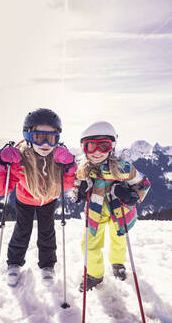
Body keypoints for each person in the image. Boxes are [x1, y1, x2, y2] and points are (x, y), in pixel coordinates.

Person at [0, 108, 77, 287]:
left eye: (51, 138)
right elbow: (1, 190)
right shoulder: (20, 158)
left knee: (47, 232)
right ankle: (14, 262)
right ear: (28, 136)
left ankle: (47, 265)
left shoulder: (58, 157)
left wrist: (68, 167)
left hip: (49, 200)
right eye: (39, 137)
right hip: (25, 200)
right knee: (23, 230)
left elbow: (65, 186)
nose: (45, 143)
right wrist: (0, 165)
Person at [74, 121, 151, 292]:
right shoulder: (83, 169)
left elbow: (143, 184)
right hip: (96, 210)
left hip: (120, 210)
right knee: (90, 242)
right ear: (84, 148)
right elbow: (75, 185)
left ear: (112, 147)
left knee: (118, 239)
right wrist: (79, 192)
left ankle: (117, 262)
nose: (97, 152)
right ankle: (94, 274)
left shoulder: (123, 168)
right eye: (90, 146)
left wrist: (131, 196)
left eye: (103, 146)